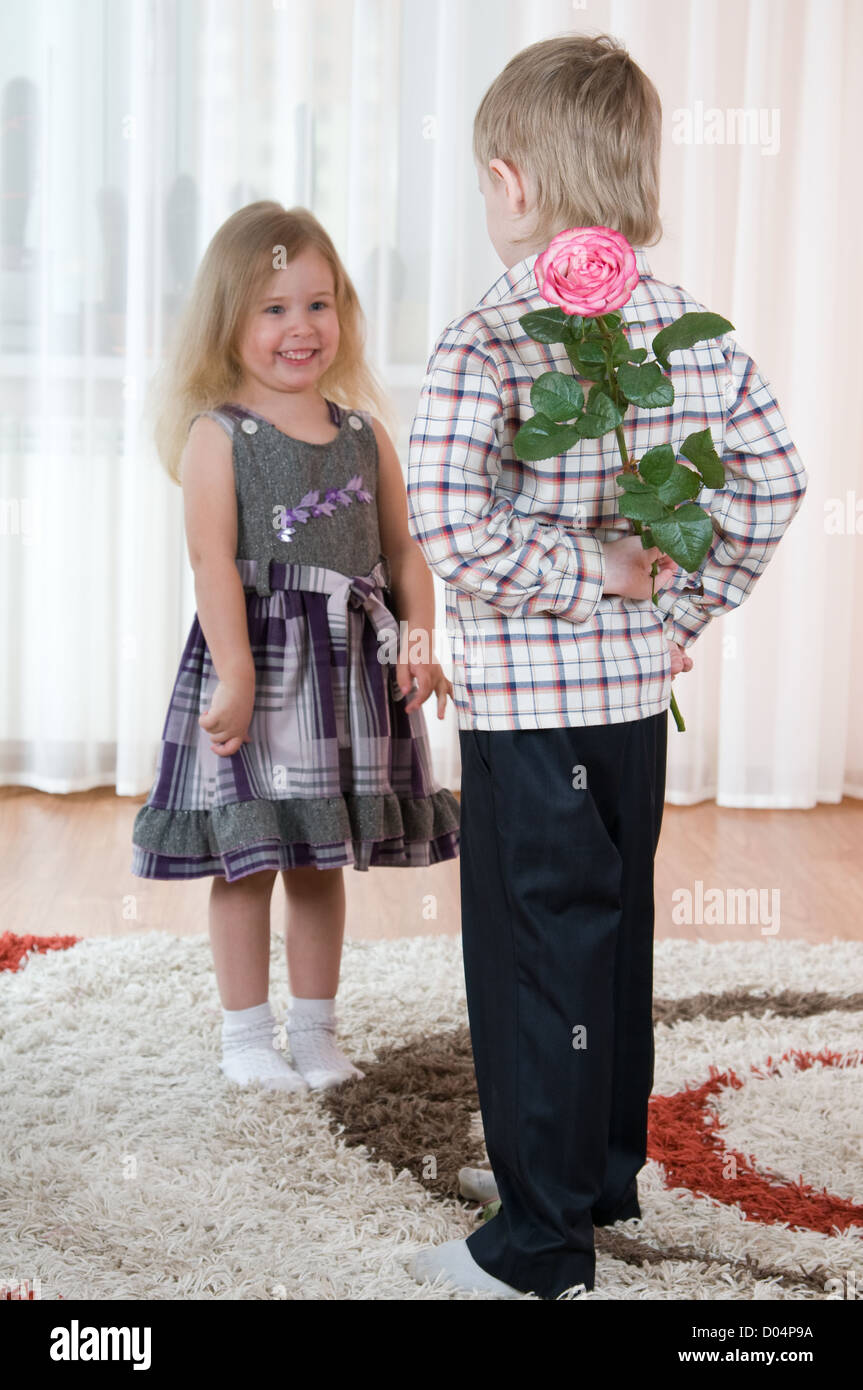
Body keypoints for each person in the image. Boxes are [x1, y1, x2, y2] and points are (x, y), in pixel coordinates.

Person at [406, 34, 807, 1298]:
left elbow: (451, 524)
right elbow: (776, 480)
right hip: (630, 708)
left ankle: (536, 1247)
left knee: (536, 953)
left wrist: (601, 577)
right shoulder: (683, 327)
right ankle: (590, 1169)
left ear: (511, 184)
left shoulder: (491, 332)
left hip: (533, 717)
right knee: (610, 940)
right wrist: (682, 601)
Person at [131, 202, 460, 1094]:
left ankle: (314, 1031)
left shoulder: (363, 436)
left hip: (347, 670)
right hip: (262, 667)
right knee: (250, 858)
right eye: (273, 309)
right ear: (227, 322)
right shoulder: (220, 437)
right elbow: (210, 564)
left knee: (320, 856)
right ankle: (245, 1037)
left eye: (317, 304)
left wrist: (417, 640)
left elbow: (403, 551)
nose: (299, 328)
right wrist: (234, 673)